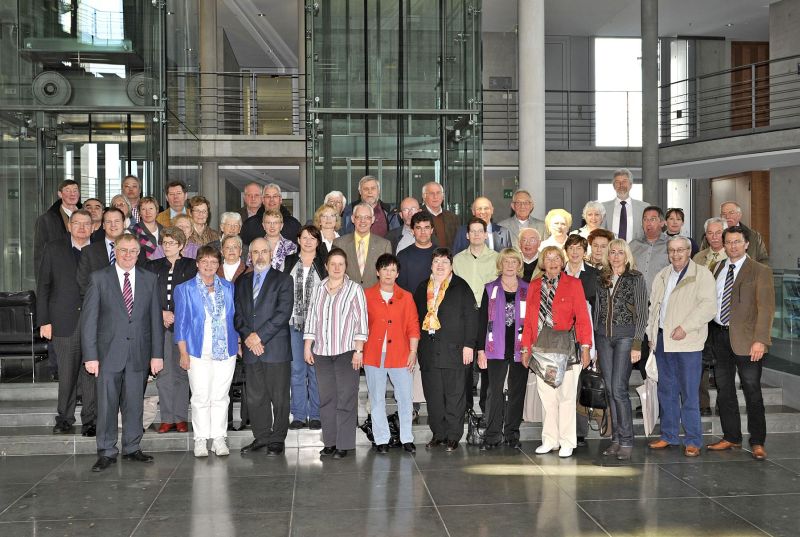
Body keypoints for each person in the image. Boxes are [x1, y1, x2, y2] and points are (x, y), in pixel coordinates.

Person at [81, 233, 163, 472]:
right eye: (123, 250)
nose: (128, 255)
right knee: (106, 406)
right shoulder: (99, 279)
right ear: (115, 251)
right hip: (107, 355)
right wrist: (91, 356)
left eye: (133, 251)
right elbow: (89, 322)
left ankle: (132, 447)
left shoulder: (149, 279)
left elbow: (155, 320)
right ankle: (106, 451)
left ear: (139, 254)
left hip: (138, 353)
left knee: (135, 404)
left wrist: (157, 355)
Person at [706, 225, 775, 460]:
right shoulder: (718, 267)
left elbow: (766, 308)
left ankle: (757, 441)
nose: (732, 246)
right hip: (719, 337)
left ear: (746, 244)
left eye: (737, 242)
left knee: (752, 391)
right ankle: (731, 436)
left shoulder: (760, 270)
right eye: (728, 242)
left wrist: (761, 340)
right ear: (723, 245)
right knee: (724, 391)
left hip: (748, 341)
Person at [646, 236, 717, 457]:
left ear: (689, 251)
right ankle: (669, 435)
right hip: (662, 341)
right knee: (666, 391)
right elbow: (653, 307)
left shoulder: (702, 274)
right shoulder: (662, 275)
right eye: (672, 251)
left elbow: (708, 307)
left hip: (687, 343)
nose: (675, 254)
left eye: (680, 250)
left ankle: (694, 439)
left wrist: (685, 327)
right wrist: (650, 334)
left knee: (689, 393)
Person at [521, 246, 592, 458]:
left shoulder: (573, 283)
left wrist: (586, 347)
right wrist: (525, 348)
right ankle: (550, 440)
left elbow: (582, 318)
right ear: (542, 262)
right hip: (541, 347)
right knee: (547, 397)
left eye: (556, 258)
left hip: (566, 346)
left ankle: (567, 441)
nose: (552, 262)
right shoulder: (533, 286)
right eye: (548, 258)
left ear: (562, 262)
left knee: (566, 396)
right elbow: (529, 322)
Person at [174, 246, 239, 458]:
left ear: (218, 265)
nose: (209, 266)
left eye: (213, 262)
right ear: (197, 263)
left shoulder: (228, 288)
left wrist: (238, 343)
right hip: (196, 349)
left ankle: (219, 438)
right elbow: (181, 323)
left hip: (225, 350)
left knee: (221, 395)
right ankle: (201, 439)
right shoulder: (185, 289)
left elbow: (234, 318)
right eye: (205, 261)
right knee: (200, 395)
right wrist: (183, 352)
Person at [304, 248, 369, 459]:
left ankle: (344, 444)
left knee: (345, 398)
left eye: (341, 264)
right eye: (333, 264)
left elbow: (362, 322)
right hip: (322, 352)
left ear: (346, 267)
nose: (337, 268)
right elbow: (312, 319)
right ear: (326, 266)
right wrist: (308, 346)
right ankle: (330, 442)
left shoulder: (354, 290)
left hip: (346, 352)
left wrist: (359, 350)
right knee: (327, 399)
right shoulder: (319, 288)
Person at [37, 209, 97, 436]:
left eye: (86, 224)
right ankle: (64, 418)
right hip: (63, 321)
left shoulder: (100, 249)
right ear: (69, 226)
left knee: (91, 373)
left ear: (93, 227)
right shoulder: (54, 249)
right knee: (67, 373)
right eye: (77, 223)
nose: (82, 228)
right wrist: (44, 320)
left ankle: (91, 420)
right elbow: (44, 286)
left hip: (94, 321)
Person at [413, 248, 477, 452]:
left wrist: (469, 345)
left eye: (444, 262)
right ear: (431, 265)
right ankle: (438, 434)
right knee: (433, 397)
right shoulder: (423, 287)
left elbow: (471, 318)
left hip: (454, 351)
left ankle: (453, 436)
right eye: (436, 262)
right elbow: (414, 320)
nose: (440, 266)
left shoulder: (461, 287)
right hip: (429, 351)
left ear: (451, 266)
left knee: (454, 395)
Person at [234, 238, 295, 456]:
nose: (260, 256)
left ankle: (278, 438)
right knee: (255, 396)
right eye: (255, 252)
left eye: (264, 252)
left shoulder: (284, 280)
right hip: (252, 349)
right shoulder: (242, 281)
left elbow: (283, 314)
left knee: (279, 397)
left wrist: (259, 337)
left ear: (271, 254)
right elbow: (238, 314)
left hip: (275, 347)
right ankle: (261, 437)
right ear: (250, 255)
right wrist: (248, 337)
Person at [594, 239, 648, 461]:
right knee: (609, 389)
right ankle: (616, 439)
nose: (616, 256)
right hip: (603, 338)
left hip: (626, 337)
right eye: (612, 252)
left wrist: (637, 344)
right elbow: (596, 309)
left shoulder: (636, 277)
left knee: (619, 388)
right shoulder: (601, 278)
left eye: (620, 252)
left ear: (626, 256)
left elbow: (643, 312)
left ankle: (626, 440)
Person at [363, 254, 421, 454]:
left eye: (392, 270)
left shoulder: (406, 297)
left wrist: (413, 352)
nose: (388, 273)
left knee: (405, 397)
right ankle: (382, 439)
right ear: (378, 272)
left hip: (400, 353)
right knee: (377, 397)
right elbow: (360, 326)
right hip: (373, 354)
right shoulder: (366, 295)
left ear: (398, 274)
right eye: (384, 269)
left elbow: (413, 326)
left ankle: (406, 437)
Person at [476, 249, 530, 450]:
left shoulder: (528, 288)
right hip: (495, 347)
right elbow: (482, 320)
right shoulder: (490, 288)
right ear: (500, 264)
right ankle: (492, 436)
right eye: (506, 261)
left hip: (521, 348)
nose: (509, 265)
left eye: (513, 261)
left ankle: (512, 435)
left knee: (517, 392)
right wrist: (480, 350)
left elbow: (532, 321)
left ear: (519, 265)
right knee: (494, 392)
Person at [146, 227, 197, 434]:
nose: (167, 247)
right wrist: (162, 314)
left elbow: (195, 294)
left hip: (184, 326)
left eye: (172, 243)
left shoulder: (192, 266)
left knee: (182, 372)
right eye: (165, 243)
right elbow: (147, 295)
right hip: (160, 326)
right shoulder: (152, 266)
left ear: (181, 245)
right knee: (165, 374)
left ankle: (181, 417)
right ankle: (167, 418)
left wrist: (177, 314)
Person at [282, 226, 327, 430]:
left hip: (318, 326)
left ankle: (316, 414)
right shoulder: (289, 261)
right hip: (293, 324)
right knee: (297, 370)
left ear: (318, 241)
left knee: (316, 371)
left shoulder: (323, 263)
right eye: (305, 237)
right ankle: (299, 415)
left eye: (313, 238)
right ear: (298, 239)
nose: (308, 241)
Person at [563, 234, 600, 447]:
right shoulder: (559, 273)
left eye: (579, 248)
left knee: (581, 382)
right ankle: (565, 429)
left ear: (584, 252)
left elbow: (598, 308)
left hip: (587, 335)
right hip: (564, 336)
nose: (575, 252)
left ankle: (579, 432)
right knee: (567, 383)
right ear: (566, 251)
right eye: (571, 248)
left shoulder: (593, 275)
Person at [693, 216, 728, 416]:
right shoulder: (699, 257)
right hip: (701, 318)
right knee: (700, 364)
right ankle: (702, 402)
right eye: (710, 233)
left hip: (723, 319)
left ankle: (723, 404)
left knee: (723, 364)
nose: (714, 237)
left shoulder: (732, 255)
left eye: (718, 233)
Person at [333, 203, 392, 288]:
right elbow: (334, 274)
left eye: (367, 217)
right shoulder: (339, 243)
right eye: (359, 217)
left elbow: (387, 276)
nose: (362, 221)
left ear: (373, 220)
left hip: (374, 297)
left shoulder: (384, 245)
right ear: (353, 219)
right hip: (347, 296)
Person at [77, 208, 130, 297]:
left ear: (124, 224)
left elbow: (142, 282)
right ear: (104, 225)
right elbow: (83, 284)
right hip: (99, 306)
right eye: (109, 222)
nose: (113, 225)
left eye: (117, 221)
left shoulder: (137, 251)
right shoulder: (89, 251)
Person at [34, 179, 80, 277]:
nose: (72, 194)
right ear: (60, 194)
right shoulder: (46, 220)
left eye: (75, 190)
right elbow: (40, 254)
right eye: (67, 190)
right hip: (59, 275)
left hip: (84, 273)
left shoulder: (88, 217)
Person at [701, 201, 769, 264]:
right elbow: (702, 257)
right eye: (724, 214)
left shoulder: (754, 236)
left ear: (739, 215)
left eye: (731, 213)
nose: (727, 217)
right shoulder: (709, 236)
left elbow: (763, 261)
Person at [601, 168, 651, 242]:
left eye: (624, 181)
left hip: (637, 251)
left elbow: (649, 231)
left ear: (630, 185)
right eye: (617, 182)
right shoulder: (603, 207)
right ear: (614, 186)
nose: (621, 185)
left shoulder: (644, 207)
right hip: (611, 251)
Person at [630, 206, 670, 293]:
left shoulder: (670, 244)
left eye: (653, 219)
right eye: (645, 219)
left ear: (662, 223)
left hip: (660, 300)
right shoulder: (633, 245)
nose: (648, 223)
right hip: (635, 300)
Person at [396, 211, 437, 293]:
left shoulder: (442, 254)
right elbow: (400, 288)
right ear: (412, 231)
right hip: (410, 304)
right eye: (418, 228)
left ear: (432, 230)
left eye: (426, 227)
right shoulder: (403, 256)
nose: (423, 232)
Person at [421, 181, 459, 248]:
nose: (435, 196)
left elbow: (458, 242)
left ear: (443, 196)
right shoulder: (418, 216)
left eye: (438, 193)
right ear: (424, 196)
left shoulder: (453, 217)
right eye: (431, 193)